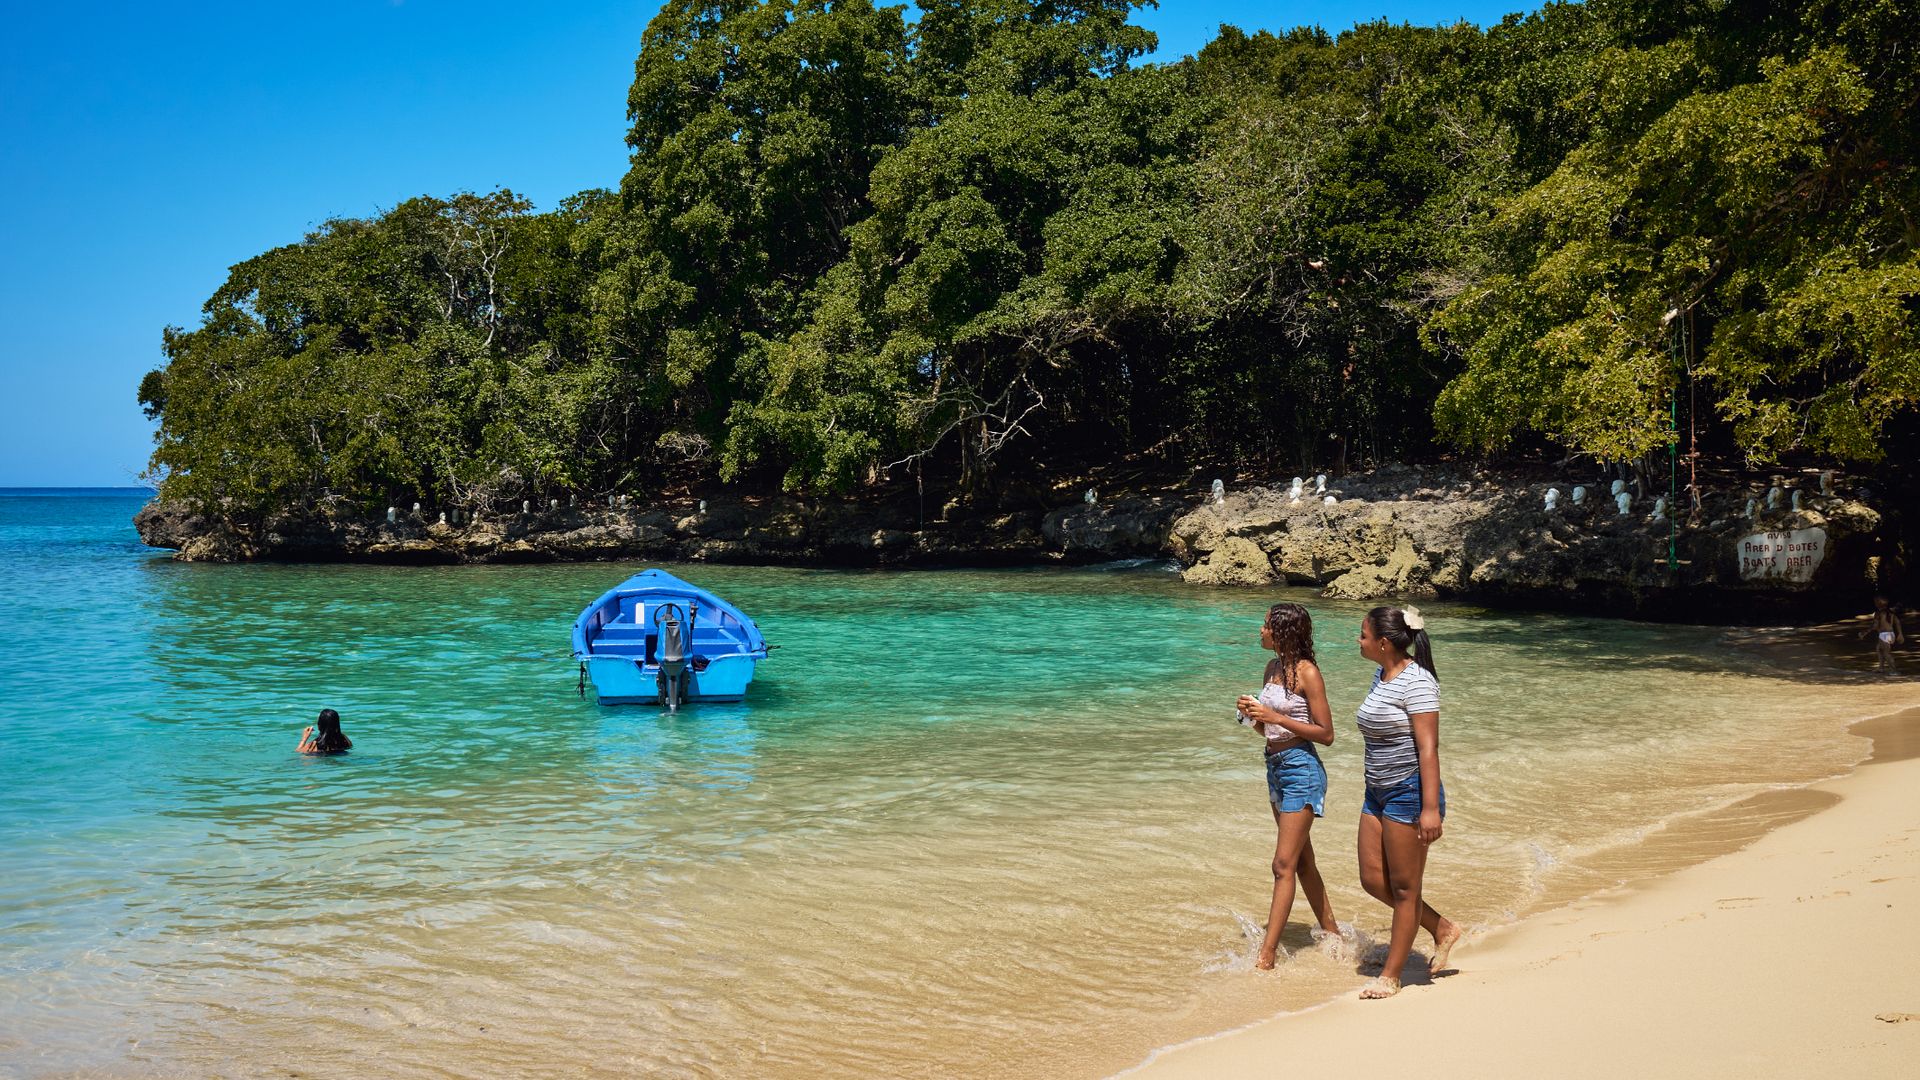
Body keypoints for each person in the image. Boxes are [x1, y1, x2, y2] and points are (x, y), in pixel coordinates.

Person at [1352, 605, 1460, 998]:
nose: (1358, 640)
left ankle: (1392, 976)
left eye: (1362, 635)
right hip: (1376, 791)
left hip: (1409, 793)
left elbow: (1428, 749)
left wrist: (1430, 808)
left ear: (1383, 643)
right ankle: (1442, 928)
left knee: (1405, 889)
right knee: (1371, 879)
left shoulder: (1419, 682)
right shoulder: (1381, 674)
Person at [1236, 602, 1340, 969]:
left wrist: (1275, 715)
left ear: (1282, 631)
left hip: (1301, 769)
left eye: (1265, 625)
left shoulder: (1308, 673)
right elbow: (1270, 730)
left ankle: (1267, 955)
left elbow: (1326, 734)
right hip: (1275, 767)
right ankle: (1334, 935)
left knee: (1282, 865)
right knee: (1302, 861)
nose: (1260, 630)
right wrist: (1251, 717)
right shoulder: (1271, 668)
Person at [1865, 596, 1904, 675]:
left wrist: (1865, 632)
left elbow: (1875, 626)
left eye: (1875, 602)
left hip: (1884, 635)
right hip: (1891, 634)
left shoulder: (1878, 613)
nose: (1875, 603)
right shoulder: (1891, 612)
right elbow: (1897, 623)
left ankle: (1894, 671)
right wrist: (1900, 634)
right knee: (1879, 648)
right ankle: (1881, 668)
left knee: (1886, 653)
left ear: (1878, 604)